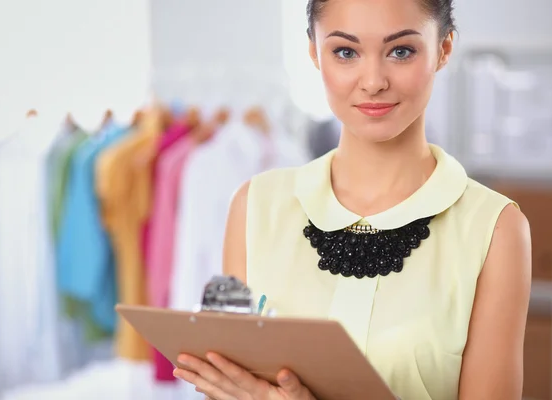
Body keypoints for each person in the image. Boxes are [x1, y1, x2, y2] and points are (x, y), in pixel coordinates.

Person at [173, 0, 532, 398]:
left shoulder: (494, 228)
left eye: (401, 51)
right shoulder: (255, 206)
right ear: (314, 52)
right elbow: (225, 383)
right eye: (346, 52)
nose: (373, 80)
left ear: (444, 49)